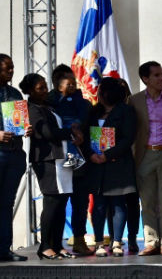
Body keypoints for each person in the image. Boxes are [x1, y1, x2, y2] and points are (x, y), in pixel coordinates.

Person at [23, 73, 83, 260]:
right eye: (40, 88)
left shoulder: (48, 106)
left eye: (45, 86)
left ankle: (58, 245)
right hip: (47, 160)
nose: (45, 90)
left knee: (62, 201)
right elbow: (47, 133)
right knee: (52, 203)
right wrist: (70, 132)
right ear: (30, 91)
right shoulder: (32, 108)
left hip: (62, 158)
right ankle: (45, 246)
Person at [81, 77, 138, 257]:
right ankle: (99, 242)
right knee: (98, 205)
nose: (98, 95)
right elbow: (84, 136)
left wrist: (107, 155)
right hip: (96, 165)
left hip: (117, 163)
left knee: (119, 203)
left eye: (101, 92)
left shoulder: (126, 111)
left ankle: (117, 242)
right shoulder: (93, 112)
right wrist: (91, 155)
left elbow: (128, 139)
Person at [128, 61, 162, 256]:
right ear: (145, 79)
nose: (161, 78)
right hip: (145, 153)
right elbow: (131, 129)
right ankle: (151, 241)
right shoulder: (134, 100)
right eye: (156, 75)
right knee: (147, 201)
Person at [46, 64, 94, 256]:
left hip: (78, 159)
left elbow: (87, 124)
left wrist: (79, 129)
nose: (73, 84)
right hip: (57, 159)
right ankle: (52, 243)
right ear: (57, 83)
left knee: (80, 201)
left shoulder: (84, 103)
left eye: (74, 80)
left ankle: (79, 240)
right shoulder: (49, 103)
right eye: (69, 81)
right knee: (57, 201)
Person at [0, 54, 30, 262]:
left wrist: (26, 128)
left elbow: (19, 120)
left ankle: (4, 249)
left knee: (6, 203)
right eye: (7, 68)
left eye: (12, 68)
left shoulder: (14, 93)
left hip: (14, 155)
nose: (11, 71)